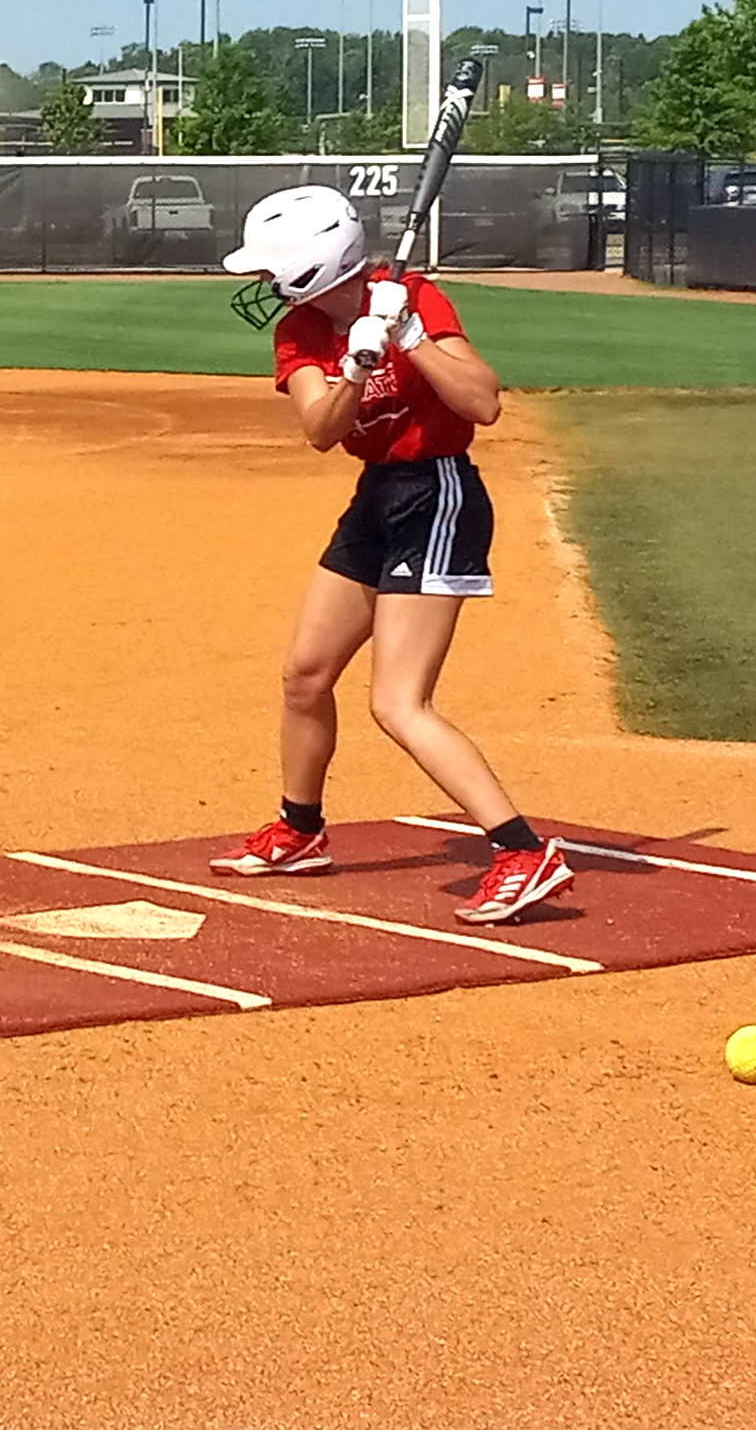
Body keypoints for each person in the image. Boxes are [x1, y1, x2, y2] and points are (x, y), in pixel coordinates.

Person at [210, 185, 571, 926]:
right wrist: (355, 365)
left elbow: (483, 402)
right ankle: (301, 831)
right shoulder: (302, 332)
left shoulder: (413, 298)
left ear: (311, 268)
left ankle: (522, 851)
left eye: (271, 271)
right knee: (305, 676)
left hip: (437, 495)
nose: (262, 285)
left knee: (398, 702)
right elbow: (320, 428)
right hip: (378, 496)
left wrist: (408, 339)